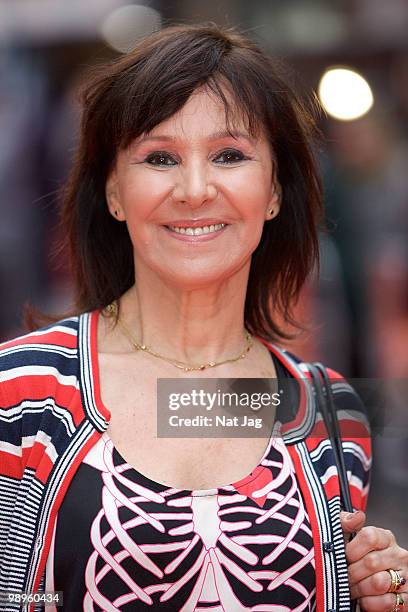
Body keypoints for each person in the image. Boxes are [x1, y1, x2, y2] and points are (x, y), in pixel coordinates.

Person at [0, 24, 407, 612]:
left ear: (274, 191)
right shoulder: (23, 393)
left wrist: (380, 596)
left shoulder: (331, 415)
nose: (194, 189)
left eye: (229, 156)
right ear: (114, 191)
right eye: (160, 157)